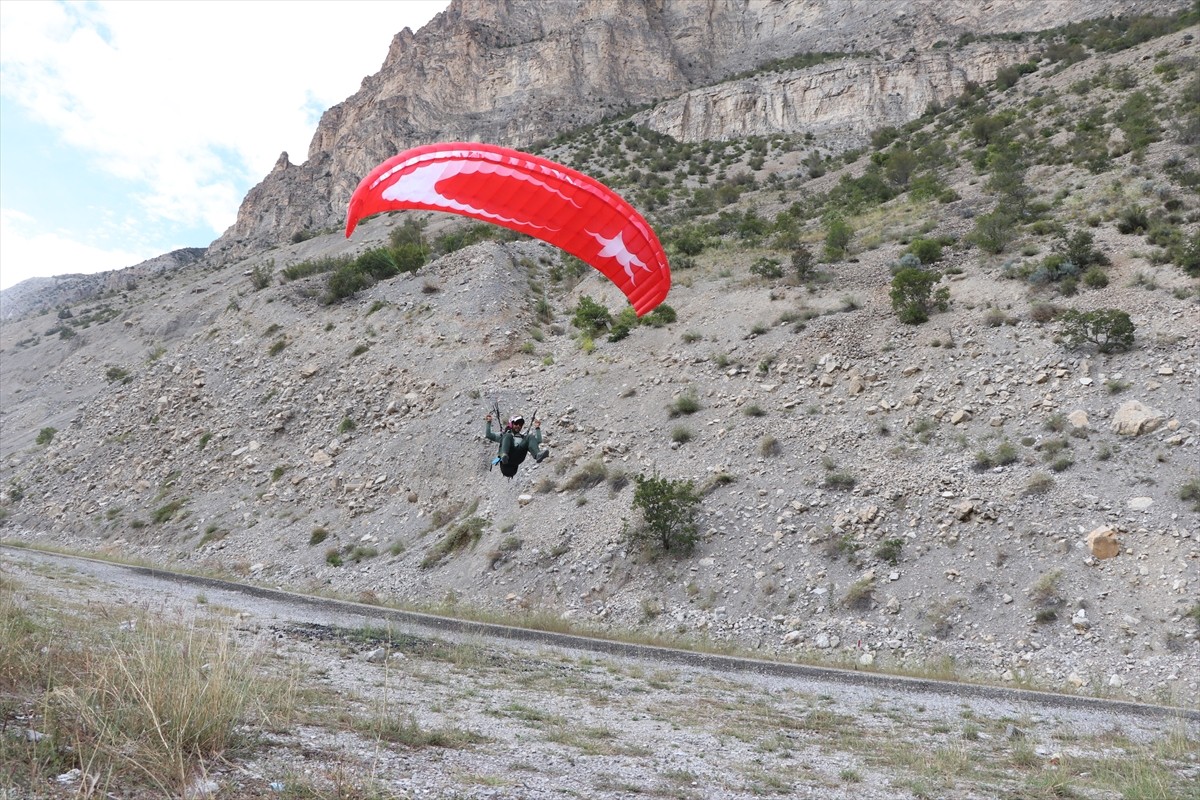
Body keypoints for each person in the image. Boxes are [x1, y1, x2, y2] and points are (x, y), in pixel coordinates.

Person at [485, 413, 547, 477]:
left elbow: (538, 441)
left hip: (517, 458)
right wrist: (488, 422)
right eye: (516, 423)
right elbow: (488, 435)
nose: (518, 426)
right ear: (511, 424)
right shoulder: (504, 436)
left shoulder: (523, 438)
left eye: (520, 424)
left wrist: (537, 428)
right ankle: (504, 455)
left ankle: (537, 455)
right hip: (506, 461)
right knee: (507, 435)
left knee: (530, 436)